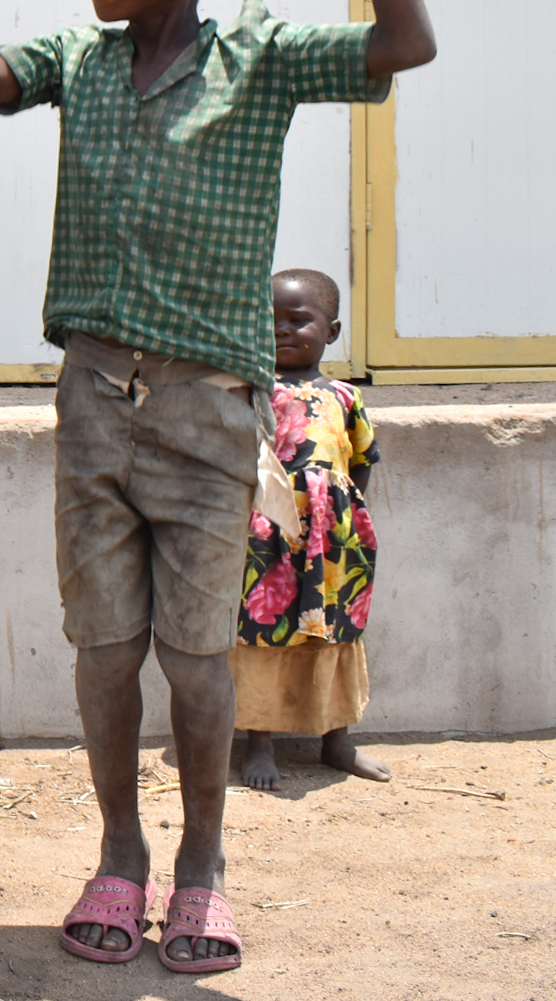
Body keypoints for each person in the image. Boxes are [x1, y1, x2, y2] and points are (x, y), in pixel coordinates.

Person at [0, 0, 435, 974]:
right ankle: (122, 853)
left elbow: (405, 43)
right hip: (93, 398)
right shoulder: (82, 61)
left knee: (197, 652)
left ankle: (202, 864)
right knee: (106, 645)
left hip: (210, 407)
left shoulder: (256, 58)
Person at [235, 269, 387, 789]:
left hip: (336, 539)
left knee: (336, 630)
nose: (282, 330)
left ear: (333, 331)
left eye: (298, 320)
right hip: (267, 535)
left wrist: (339, 506)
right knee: (263, 632)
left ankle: (337, 741)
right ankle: (259, 743)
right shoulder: (251, 392)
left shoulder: (346, 397)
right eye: (269, 321)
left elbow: (364, 459)